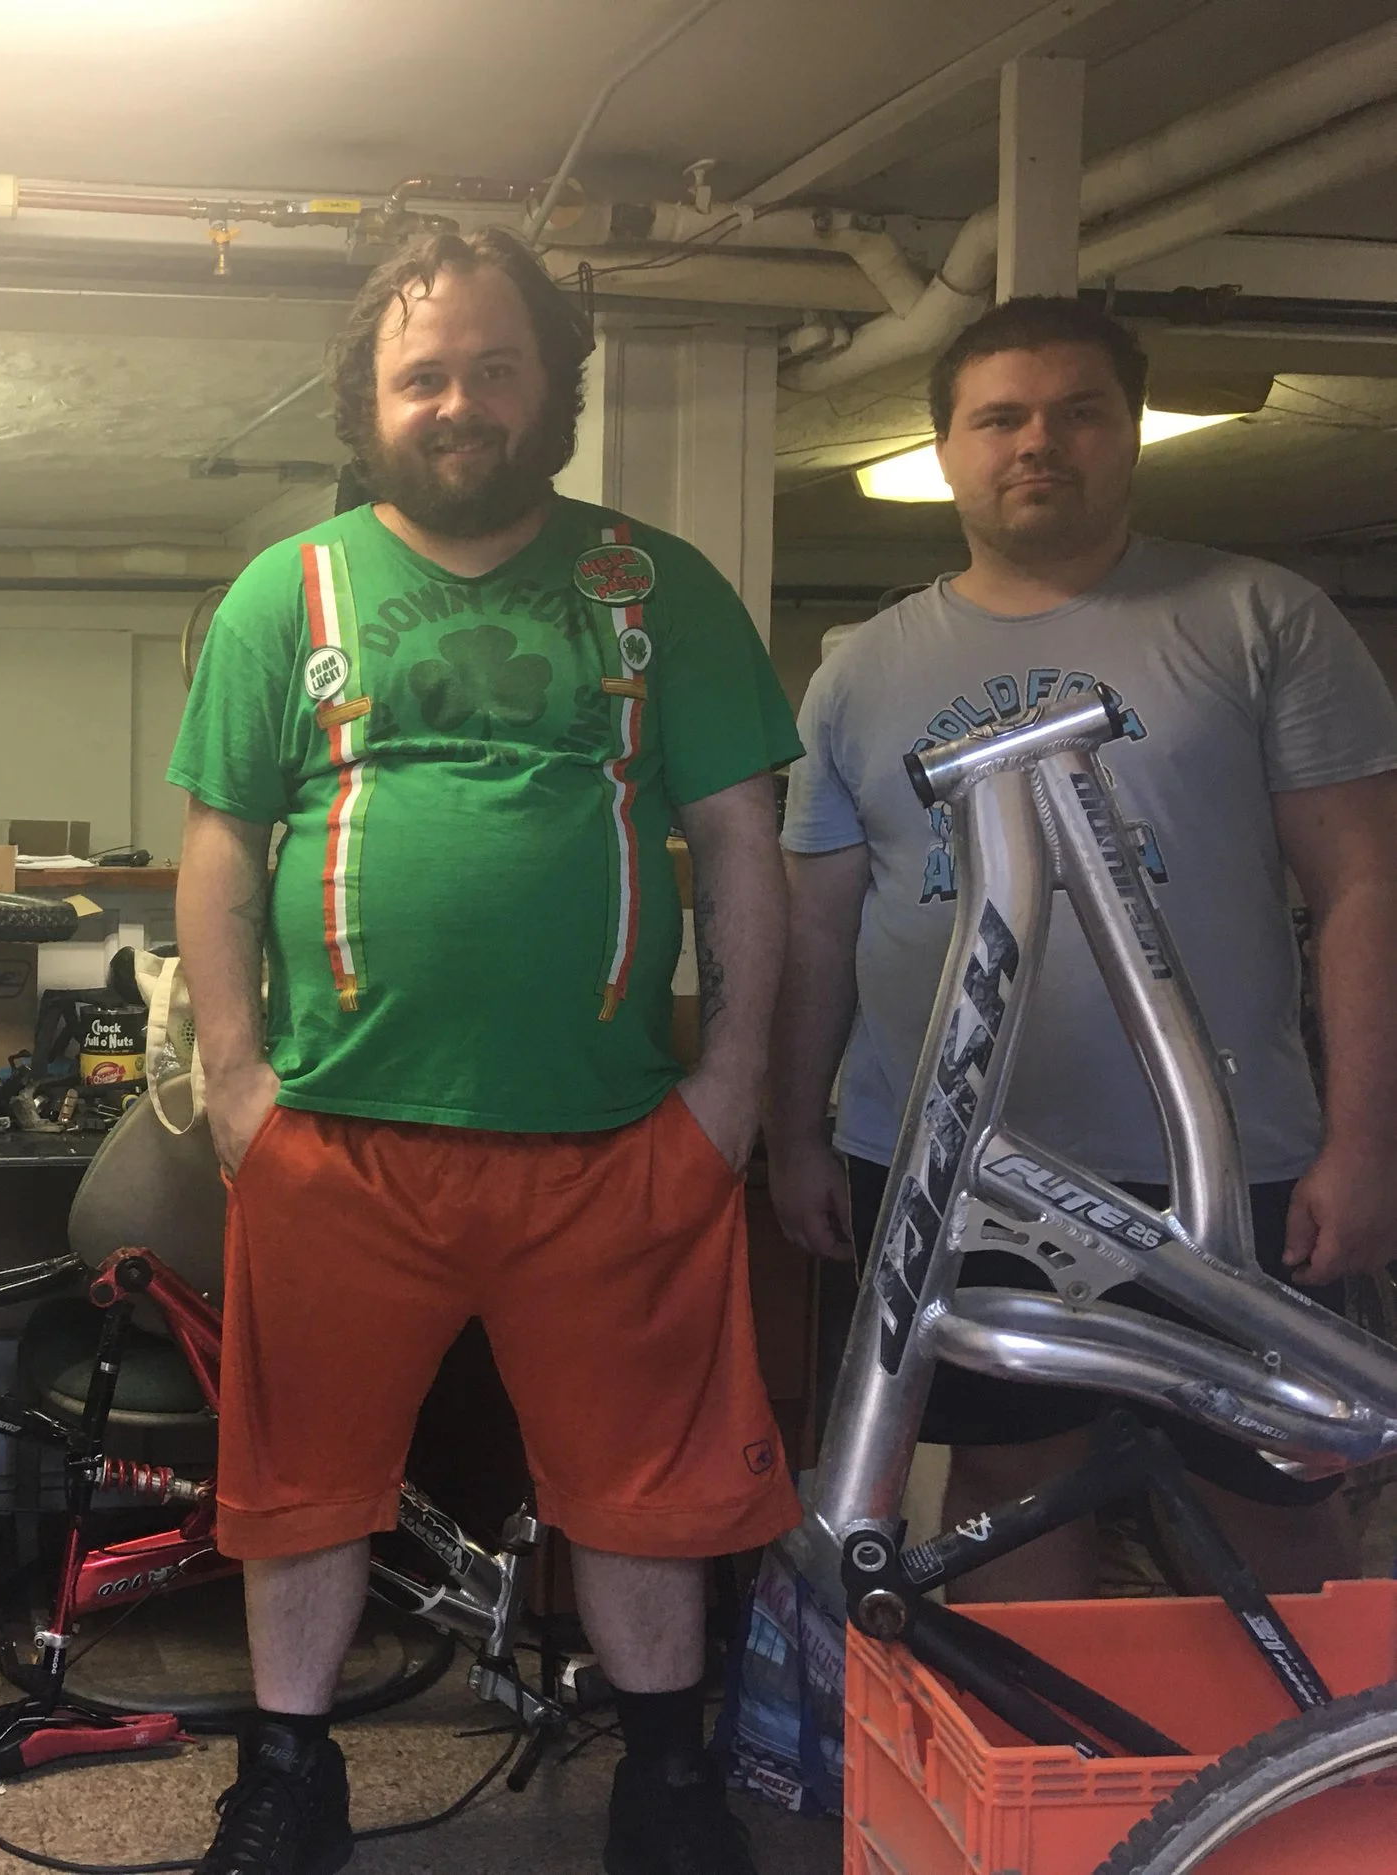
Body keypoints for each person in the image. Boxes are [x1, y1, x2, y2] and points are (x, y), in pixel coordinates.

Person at [168, 225, 801, 1875]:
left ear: (553, 384)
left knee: (644, 1482)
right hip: (337, 1142)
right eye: (423, 374)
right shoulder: (281, 592)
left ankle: (666, 1781)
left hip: (610, 1141)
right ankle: (288, 1780)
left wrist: (729, 1095)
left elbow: (741, 842)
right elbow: (224, 846)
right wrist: (236, 1087)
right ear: (366, 398)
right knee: (301, 1481)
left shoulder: (662, 586)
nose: (460, 402)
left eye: (495, 368)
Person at [769, 295, 1397, 1603]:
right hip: (960, 1166)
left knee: (1270, 1490)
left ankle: (1311, 1791)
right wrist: (795, 1132)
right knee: (1012, 1494)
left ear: (1132, 436)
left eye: (1080, 413)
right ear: (947, 448)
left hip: (1223, 1165)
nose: (1037, 442)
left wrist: (1365, 1139)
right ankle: (1049, 1798)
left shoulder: (1255, 616)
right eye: (1000, 417)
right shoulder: (862, 668)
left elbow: (1361, 884)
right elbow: (816, 926)